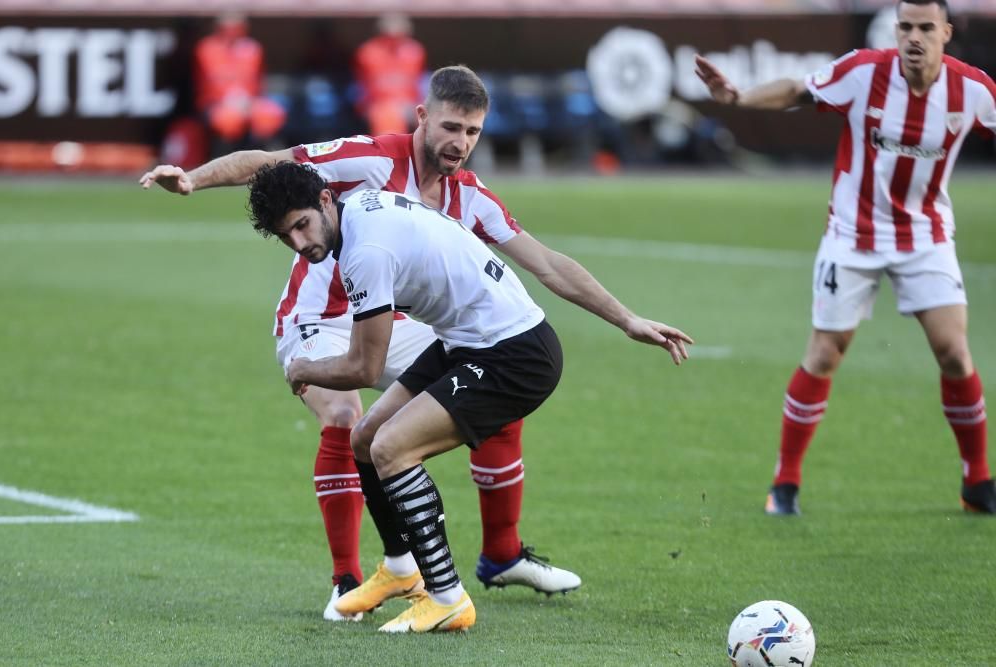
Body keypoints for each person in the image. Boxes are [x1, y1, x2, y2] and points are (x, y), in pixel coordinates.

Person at [141, 66, 611, 621]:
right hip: (321, 317)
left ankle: (500, 554)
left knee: (490, 405)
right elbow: (273, 164)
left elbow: (550, 266)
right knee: (345, 414)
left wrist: (627, 320)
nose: (460, 142)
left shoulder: (472, 198)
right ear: (422, 118)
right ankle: (349, 577)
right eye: (450, 127)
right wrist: (194, 179)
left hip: (391, 323)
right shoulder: (367, 160)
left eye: (472, 132)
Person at [246, 162, 693, 632]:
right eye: (286, 237)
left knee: (391, 448)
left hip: (514, 355)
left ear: (322, 201)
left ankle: (447, 598)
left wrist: (304, 369)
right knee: (365, 438)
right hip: (468, 342)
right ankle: (400, 569)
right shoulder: (357, 206)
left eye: (301, 226)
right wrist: (627, 320)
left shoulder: (364, 250)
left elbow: (365, 367)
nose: (300, 244)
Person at [694, 0, 996, 515]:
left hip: (925, 235)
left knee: (953, 351)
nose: (914, 37)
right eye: (905, 27)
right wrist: (739, 96)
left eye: (926, 27)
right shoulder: (863, 73)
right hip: (852, 235)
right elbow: (797, 90)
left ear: (946, 32)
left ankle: (977, 482)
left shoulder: (973, 90)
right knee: (825, 352)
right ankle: (784, 484)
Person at [193, 12, 286, 153]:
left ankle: (265, 160)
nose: (232, 32)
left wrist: (248, 102)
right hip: (217, 103)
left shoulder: (253, 48)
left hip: (248, 101)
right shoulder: (207, 48)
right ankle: (224, 161)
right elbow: (212, 81)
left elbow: (258, 81)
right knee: (228, 120)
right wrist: (234, 101)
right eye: (227, 28)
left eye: (237, 27)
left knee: (270, 114)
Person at [352, 14, 426, 135]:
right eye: (389, 38)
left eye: (399, 37)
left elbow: (417, 83)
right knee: (387, 116)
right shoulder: (368, 51)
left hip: (409, 102)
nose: (394, 42)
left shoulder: (415, 50)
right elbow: (363, 86)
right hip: (379, 103)